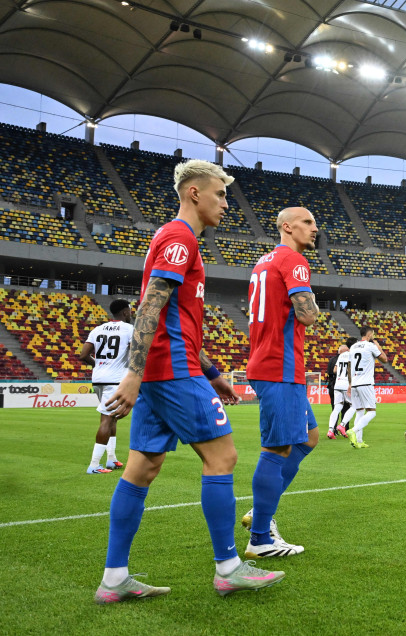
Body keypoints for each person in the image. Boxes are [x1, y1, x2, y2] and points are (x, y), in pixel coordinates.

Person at [96, 159, 282, 604]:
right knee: (223, 456)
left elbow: (172, 316)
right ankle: (229, 568)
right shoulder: (180, 237)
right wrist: (134, 374)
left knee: (142, 468)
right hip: (171, 371)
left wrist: (214, 374)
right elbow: (150, 308)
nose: (225, 204)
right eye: (220, 194)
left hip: (170, 370)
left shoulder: (171, 239)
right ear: (194, 193)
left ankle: (114, 578)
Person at [242, 206, 321, 559]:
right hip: (280, 365)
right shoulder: (294, 260)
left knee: (309, 437)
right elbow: (307, 314)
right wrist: (315, 306)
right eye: (307, 222)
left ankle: (261, 514)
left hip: (269, 360)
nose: (314, 229)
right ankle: (260, 537)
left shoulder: (264, 261)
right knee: (277, 449)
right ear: (287, 227)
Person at [79, 299, 134, 474]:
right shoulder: (129, 329)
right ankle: (94, 465)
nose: (131, 314)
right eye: (130, 311)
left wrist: (99, 365)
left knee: (112, 418)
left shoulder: (98, 329)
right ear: (125, 312)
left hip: (98, 379)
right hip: (116, 380)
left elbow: (83, 355)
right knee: (107, 420)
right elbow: (134, 355)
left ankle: (111, 459)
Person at [347, 326, 388, 448]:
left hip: (355, 383)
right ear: (369, 335)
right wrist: (377, 345)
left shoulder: (353, 346)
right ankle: (353, 430)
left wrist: (350, 383)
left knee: (359, 411)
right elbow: (385, 359)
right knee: (371, 412)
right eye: (373, 334)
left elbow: (349, 366)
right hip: (366, 383)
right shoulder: (370, 346)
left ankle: (358, 441)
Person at [327, 342, 351, 439]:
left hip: (336, 385)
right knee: (353, 406)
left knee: (336, 408)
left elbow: (334, 371)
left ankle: (330, 430)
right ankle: (342, 425)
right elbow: (350, 370)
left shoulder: (335, 358)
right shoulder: (350, 355)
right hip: (346, 384)